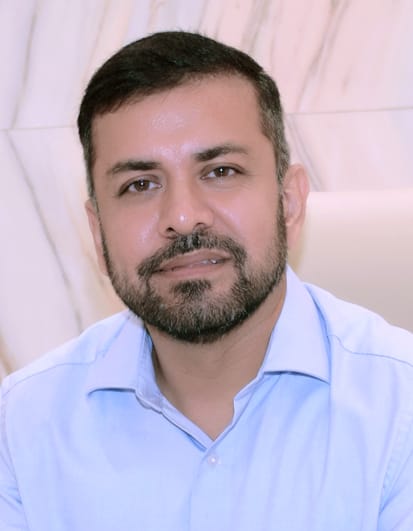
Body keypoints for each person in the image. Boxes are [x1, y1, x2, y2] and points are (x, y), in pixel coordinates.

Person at [1, 31, 412, 531]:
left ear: (289, 203)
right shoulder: (21, 427)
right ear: (98, 232)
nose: (182, 216)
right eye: (139, 184)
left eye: (221, 171)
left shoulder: (400, 408)